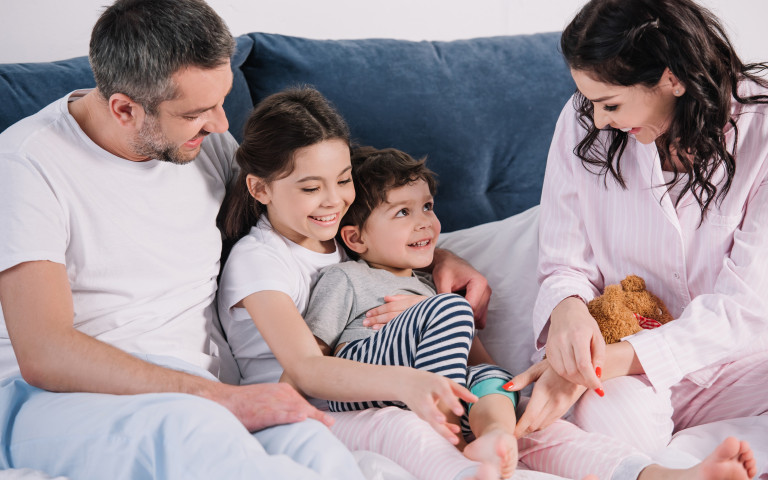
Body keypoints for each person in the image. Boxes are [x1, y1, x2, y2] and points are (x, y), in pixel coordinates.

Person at [1, 1, 381, 478]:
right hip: (65, 399)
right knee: (197, 436)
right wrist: (217, 398)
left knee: (313, 444)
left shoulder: (201, 144)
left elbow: (298, 203)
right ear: (125, 109)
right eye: (198, 112)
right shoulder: (26, 166)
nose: (222, 124)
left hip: (202, 391)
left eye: (222, 101)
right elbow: (46, 352)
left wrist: (432, 255)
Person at [507, 0, 768, 478]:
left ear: (672, 78)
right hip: (629, 360)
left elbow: (746, 308)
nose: (597, 120)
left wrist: (595, 366)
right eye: (590, 102)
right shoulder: (582, 122)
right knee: (603, 416)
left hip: (744, 363)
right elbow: (564, 262)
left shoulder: (762, 129)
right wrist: (568, 315)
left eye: (611, 104)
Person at [302, 146, 520, 479]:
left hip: (424, 383)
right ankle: (452, 441)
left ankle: (494, 436)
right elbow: (312, 359)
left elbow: (472, 359)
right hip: (364, 380)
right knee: (451, 307)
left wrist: (493, 379)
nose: (424, 222)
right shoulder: (346, 277)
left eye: (427, 206)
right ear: (356, 238)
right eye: (403, 212)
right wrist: (443, 309)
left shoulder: (431, 285)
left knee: (494, 378)